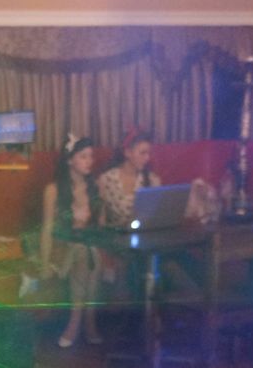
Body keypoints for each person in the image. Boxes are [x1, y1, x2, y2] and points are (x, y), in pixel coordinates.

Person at [38, 134, 103, 347]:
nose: (89, 161)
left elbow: (101, 227)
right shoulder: (53, 190)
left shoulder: (95, 187)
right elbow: (47, 229)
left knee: (90, 252)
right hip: (62, 246)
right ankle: (80, 322)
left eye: (91, 156)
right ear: (69, 160)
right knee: (84, 253)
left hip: (88, 245)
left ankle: (85, 320)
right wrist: (44, 264)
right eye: (83, 156)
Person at [97, 128, 162, 226]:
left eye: (148, 153)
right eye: (142, 153)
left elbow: (157, 217)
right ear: (127, 152)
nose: (147, 158)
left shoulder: (152, 180)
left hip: (144, 233)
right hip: (115, 234)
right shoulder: (106, 180)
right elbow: (100, 218)